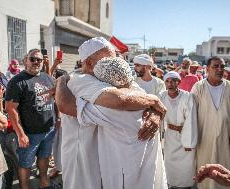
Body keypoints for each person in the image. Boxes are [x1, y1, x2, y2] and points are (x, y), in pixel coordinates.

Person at [55, 37, 166, 189]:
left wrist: (156, 111)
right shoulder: (81, 80)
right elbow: (121, 100)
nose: (113, 64)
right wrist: (153, 102)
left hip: (107, 161)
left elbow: (135, 93)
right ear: (88, 63)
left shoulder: (110, 76)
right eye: (106, 60)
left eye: (115, 59)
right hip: (82, 160)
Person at [191, 56, 230, 189]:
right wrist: (191, 138)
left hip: (226, 139)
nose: (220, 69)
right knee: (205, 173)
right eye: (215, 66)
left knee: (225, 173)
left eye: (222, 66)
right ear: (207, 69)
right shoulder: (198, 87)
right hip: (204, 138)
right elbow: (191, 114)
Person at [5, 49, 55, 189]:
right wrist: (21, 134)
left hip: (48, 130)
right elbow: (11, 109)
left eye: (39, 60)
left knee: (44, 158)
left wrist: (57, 119)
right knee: (26, 163)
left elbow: (53, 99)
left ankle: (44, 184)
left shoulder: (48, 78)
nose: (36, 62)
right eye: (33, 59)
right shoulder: (16, 82)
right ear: (25, 61)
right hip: (29, 133)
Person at [159, 71, 198, 189]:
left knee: (186, 165)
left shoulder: (188, 96)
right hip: (170, 136)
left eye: (173, 81)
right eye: (167, 81)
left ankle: (186, 186)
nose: (170, 84)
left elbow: (192, 119)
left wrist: (188, 142)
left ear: (179, 82)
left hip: (186, 136)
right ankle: (170, 184)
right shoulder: (161, 96)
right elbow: (158, 116)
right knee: (170, 163)